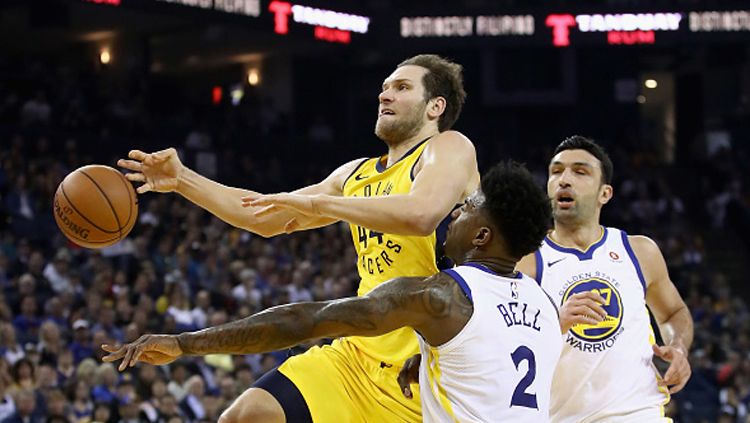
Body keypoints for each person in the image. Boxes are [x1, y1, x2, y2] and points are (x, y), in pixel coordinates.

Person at [117, 54, 480, 422]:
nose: (385, 96)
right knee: (247, 415)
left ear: (436, 106)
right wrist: (183, 180)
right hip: (356, 357)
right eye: (384, 88)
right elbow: (262, 217)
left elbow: (421, 214)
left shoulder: (449, 147)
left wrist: (322, 204)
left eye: (402, 88)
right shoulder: (354, 174)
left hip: (426, 372)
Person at [102, 161, 562, 422]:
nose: (454, 216)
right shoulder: (542, 304)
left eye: (464, 211)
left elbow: (307, 320)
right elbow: (499, 367)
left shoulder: (443, 295)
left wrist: (184, 343)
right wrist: (423, 359)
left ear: (482, 237)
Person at [516, 136, 694, 422]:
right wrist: (554, 324)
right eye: (556, 171)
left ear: (605, 194)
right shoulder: (524, 261)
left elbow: (673, 312)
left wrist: (678, 346)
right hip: (561, 415)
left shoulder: (639, 251)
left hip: (639, 412)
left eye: (580, 171)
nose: (564, 179)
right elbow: (500, 344)